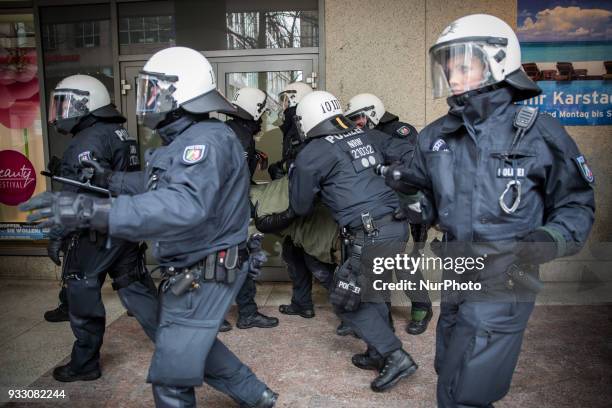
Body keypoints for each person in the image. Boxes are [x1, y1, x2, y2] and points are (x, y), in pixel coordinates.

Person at [21, 47, 277, 407]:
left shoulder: (204, 141)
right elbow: (160, 184)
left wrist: (86, 210)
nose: (146, 103)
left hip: (206, 268)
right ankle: (256, 395)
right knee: (190, 344)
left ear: (183, 94)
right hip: (197, 266)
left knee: (171, 379)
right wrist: (110, 179)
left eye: (155, 93)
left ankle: (254, 394)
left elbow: (182, 205)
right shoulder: (190, 138)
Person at [387, 14, 595, 407]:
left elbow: (576, 203)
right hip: (457, 271)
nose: (452, 74)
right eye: (448, 66)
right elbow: (427, 199)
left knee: (469, 385)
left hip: (507, 273)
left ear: (497, 63)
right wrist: (414, 202)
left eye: (463, 64)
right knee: (449, 365)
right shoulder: (435, 136)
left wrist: (549, 239)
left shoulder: (539, 131)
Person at [289, 90, 418, 392]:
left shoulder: (313, 152)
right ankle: (377, 354)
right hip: (396, 226)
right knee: (373, 294)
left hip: (370, 233)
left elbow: (300, 207)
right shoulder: (364, 135)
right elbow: (408, 151)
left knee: (346, 299)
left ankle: (394, 355)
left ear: (306, 119)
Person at [33, 75, 159, 382]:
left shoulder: (86, 141)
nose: (60, 112)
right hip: (124, 226)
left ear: (85, 103)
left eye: (65, 104)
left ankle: (85, 363)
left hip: (95, 233)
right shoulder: (120, 133)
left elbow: (76, 195)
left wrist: (57, 235)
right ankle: (177, 344)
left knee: (82, 292)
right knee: (136, 290)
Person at [345, 93, 433, 335]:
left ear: (370, 113)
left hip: (400, 209)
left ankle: (422, 306)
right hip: (374, 210)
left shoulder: (400, 131)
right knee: (375, 269)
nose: (355, 124)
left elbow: (415, 168)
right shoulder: (358, 136)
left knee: (403, 264)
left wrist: (405, 202)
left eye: (358, 118)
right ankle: (383, 321)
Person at [268, 82, 331, 321]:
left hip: (310, 204)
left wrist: (285, 168)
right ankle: (302, 303)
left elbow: (307, 164)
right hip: (297, 200)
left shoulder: (304, 124)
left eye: (288, 97)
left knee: (315, 261)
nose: (284, 103)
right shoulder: (291, 125)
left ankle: (351, 312)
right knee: (293, 255)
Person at [220, 86, 279, 331]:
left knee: (237, 260)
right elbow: (232, 179)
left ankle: (246, 312)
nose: (263, 119)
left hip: (226, 211)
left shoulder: (229, 131)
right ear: (253, 111)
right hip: (228, 213)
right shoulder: (240, 137)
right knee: (228, 263)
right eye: (262, 114)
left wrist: (255, 157)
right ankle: (222, 315)